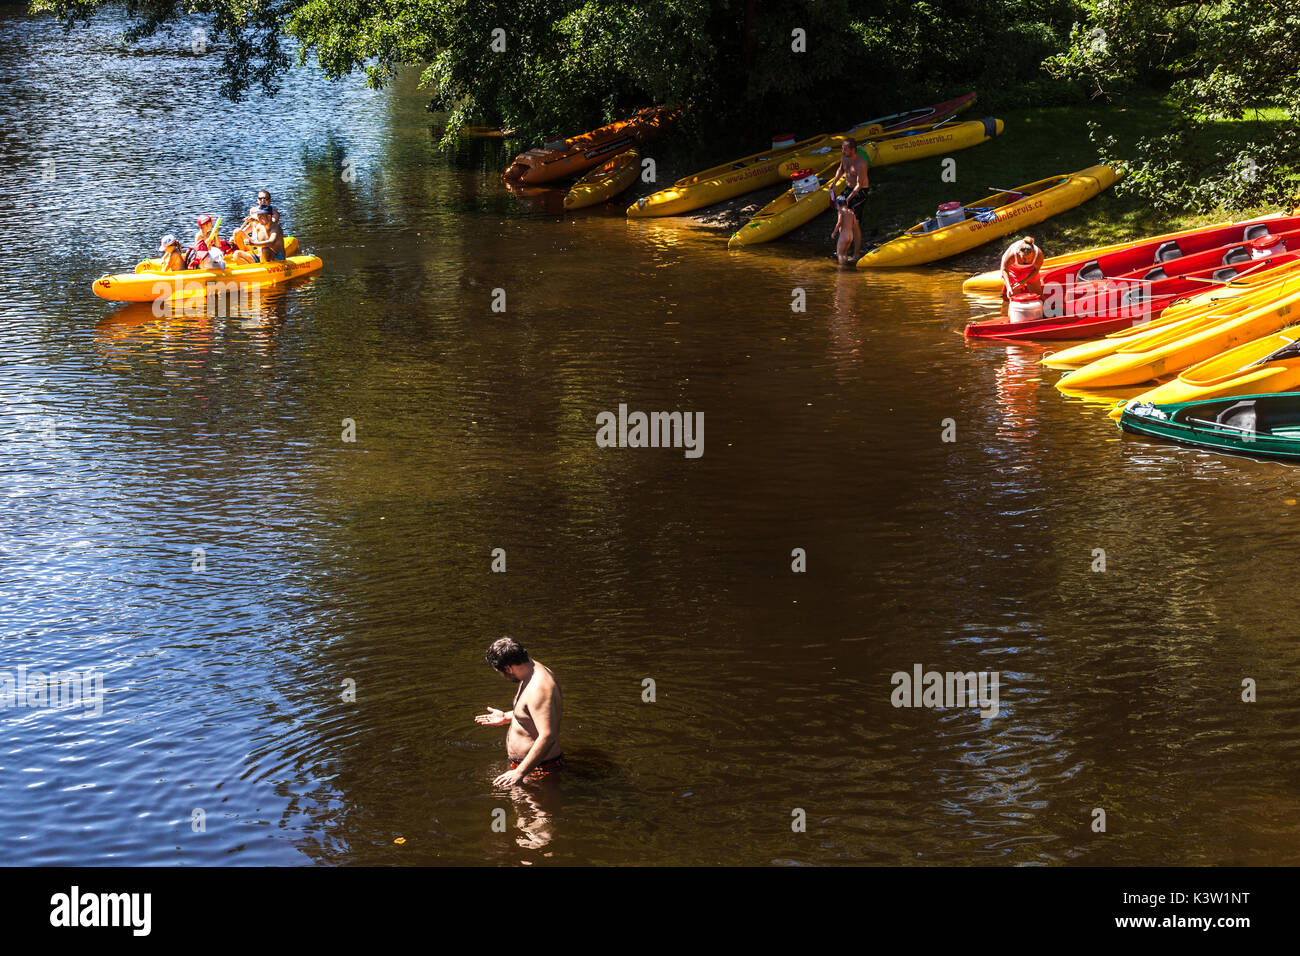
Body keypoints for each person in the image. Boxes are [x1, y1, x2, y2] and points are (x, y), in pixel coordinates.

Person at [474, 637, 563, 786]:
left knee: (538, 809)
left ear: (508, 668)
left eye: (500, 672)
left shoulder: (538, 688)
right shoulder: (531, 670)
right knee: (521, 808)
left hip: (538, 769)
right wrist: (507, 717)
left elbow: (548, 736)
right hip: (530, 767)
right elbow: (534, 712)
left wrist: (519, 772)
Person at [828, 136, 870, 220]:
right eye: (842, 149)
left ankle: (855, 227)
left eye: (845, 149)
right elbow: (841, 169)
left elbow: (859, 185)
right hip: (849, 187)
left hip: (860, 190)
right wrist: (834, 183)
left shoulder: (861, 163)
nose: (842, 151)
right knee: (842, 209)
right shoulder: (844, 157)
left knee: (854, 216)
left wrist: (848, 199)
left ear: (853, 150)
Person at [830, 193, 861, 264]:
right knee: (845, 253)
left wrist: (834, 232)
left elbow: (839, 222)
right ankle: (846, 269)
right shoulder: (851, 212)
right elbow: (854, 224)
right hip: (851, 235)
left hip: (844, 235)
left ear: (838, 205)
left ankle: (841, 271)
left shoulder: (841, 212)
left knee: (840, 253)